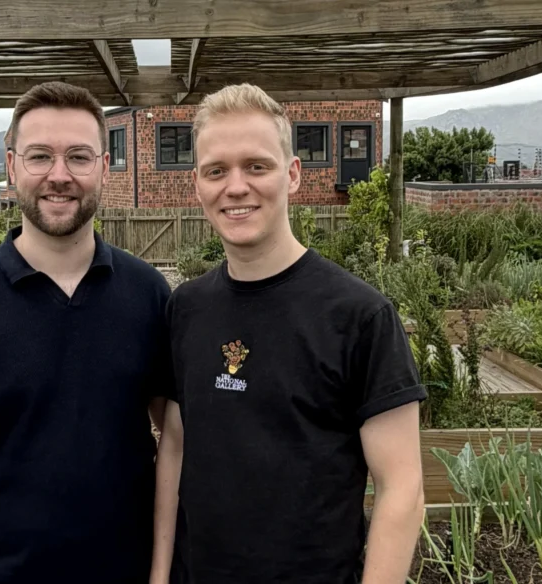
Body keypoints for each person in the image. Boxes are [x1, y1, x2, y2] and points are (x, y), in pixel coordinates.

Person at [0, 81, 172, 584]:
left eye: (79, 157)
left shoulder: (149, 297)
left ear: (105, 168)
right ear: (11, 165)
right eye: (40, 156)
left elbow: (175, 436)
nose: (59, 176)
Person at [150, 84, 427, 584]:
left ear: (293, 174)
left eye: (256, 166)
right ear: (197, 185)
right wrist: (160, 574)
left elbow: (402, 488)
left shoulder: (360, 316)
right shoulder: (186, 308)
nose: (236, 187)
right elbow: (175, 444)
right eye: (217, 170)